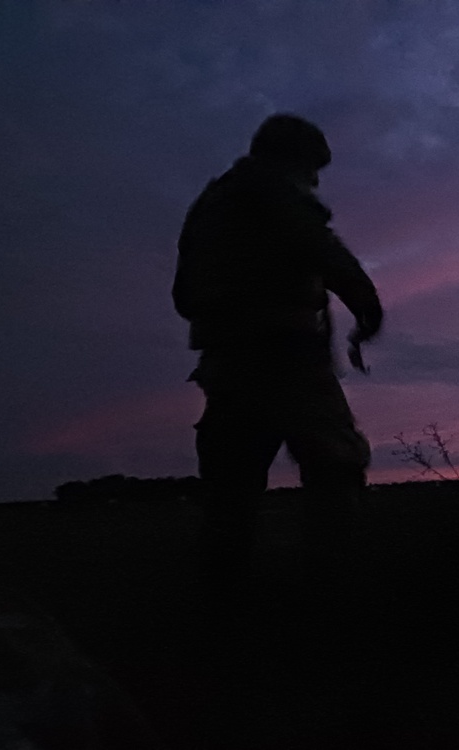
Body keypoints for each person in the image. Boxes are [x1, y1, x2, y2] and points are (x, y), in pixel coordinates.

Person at [173, 114, 383, 603]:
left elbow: (184, 295)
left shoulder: (212, 204)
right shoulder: (272, 191)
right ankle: (328, 593)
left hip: (226, 365)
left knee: (231, 486)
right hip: (286, 360)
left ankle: (223, 601)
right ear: (293, 159)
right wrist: (367, 308)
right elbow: (325, 252)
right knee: (335, 465)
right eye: (313, 170)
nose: (314, 183)